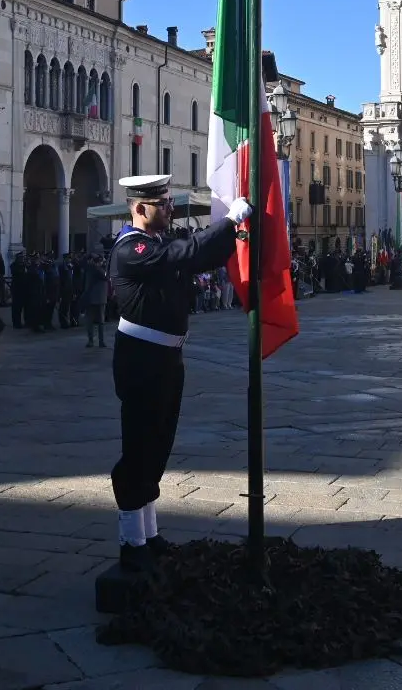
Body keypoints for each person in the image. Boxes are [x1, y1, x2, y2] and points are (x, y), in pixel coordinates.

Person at [108, 174, 247, 573]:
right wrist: (230, 220)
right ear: (139, 208)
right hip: (141, 359)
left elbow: (199, 255)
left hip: (167, 358)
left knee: (158, 446)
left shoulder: (157, 242)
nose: (170, 209)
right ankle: (131, 541)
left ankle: (149, 534)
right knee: (139, 449)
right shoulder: (131, 248)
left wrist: (233, 231)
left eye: (169, 202)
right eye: (163, 203)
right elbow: (184, 255)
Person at [82, 254, 110, 348]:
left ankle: (91, 341)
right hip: (98, 299)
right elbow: (106, 276)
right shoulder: (98, 270)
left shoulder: (89, 269)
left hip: (91, 298)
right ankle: (100, 341)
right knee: (100, 321)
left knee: (90, 321)